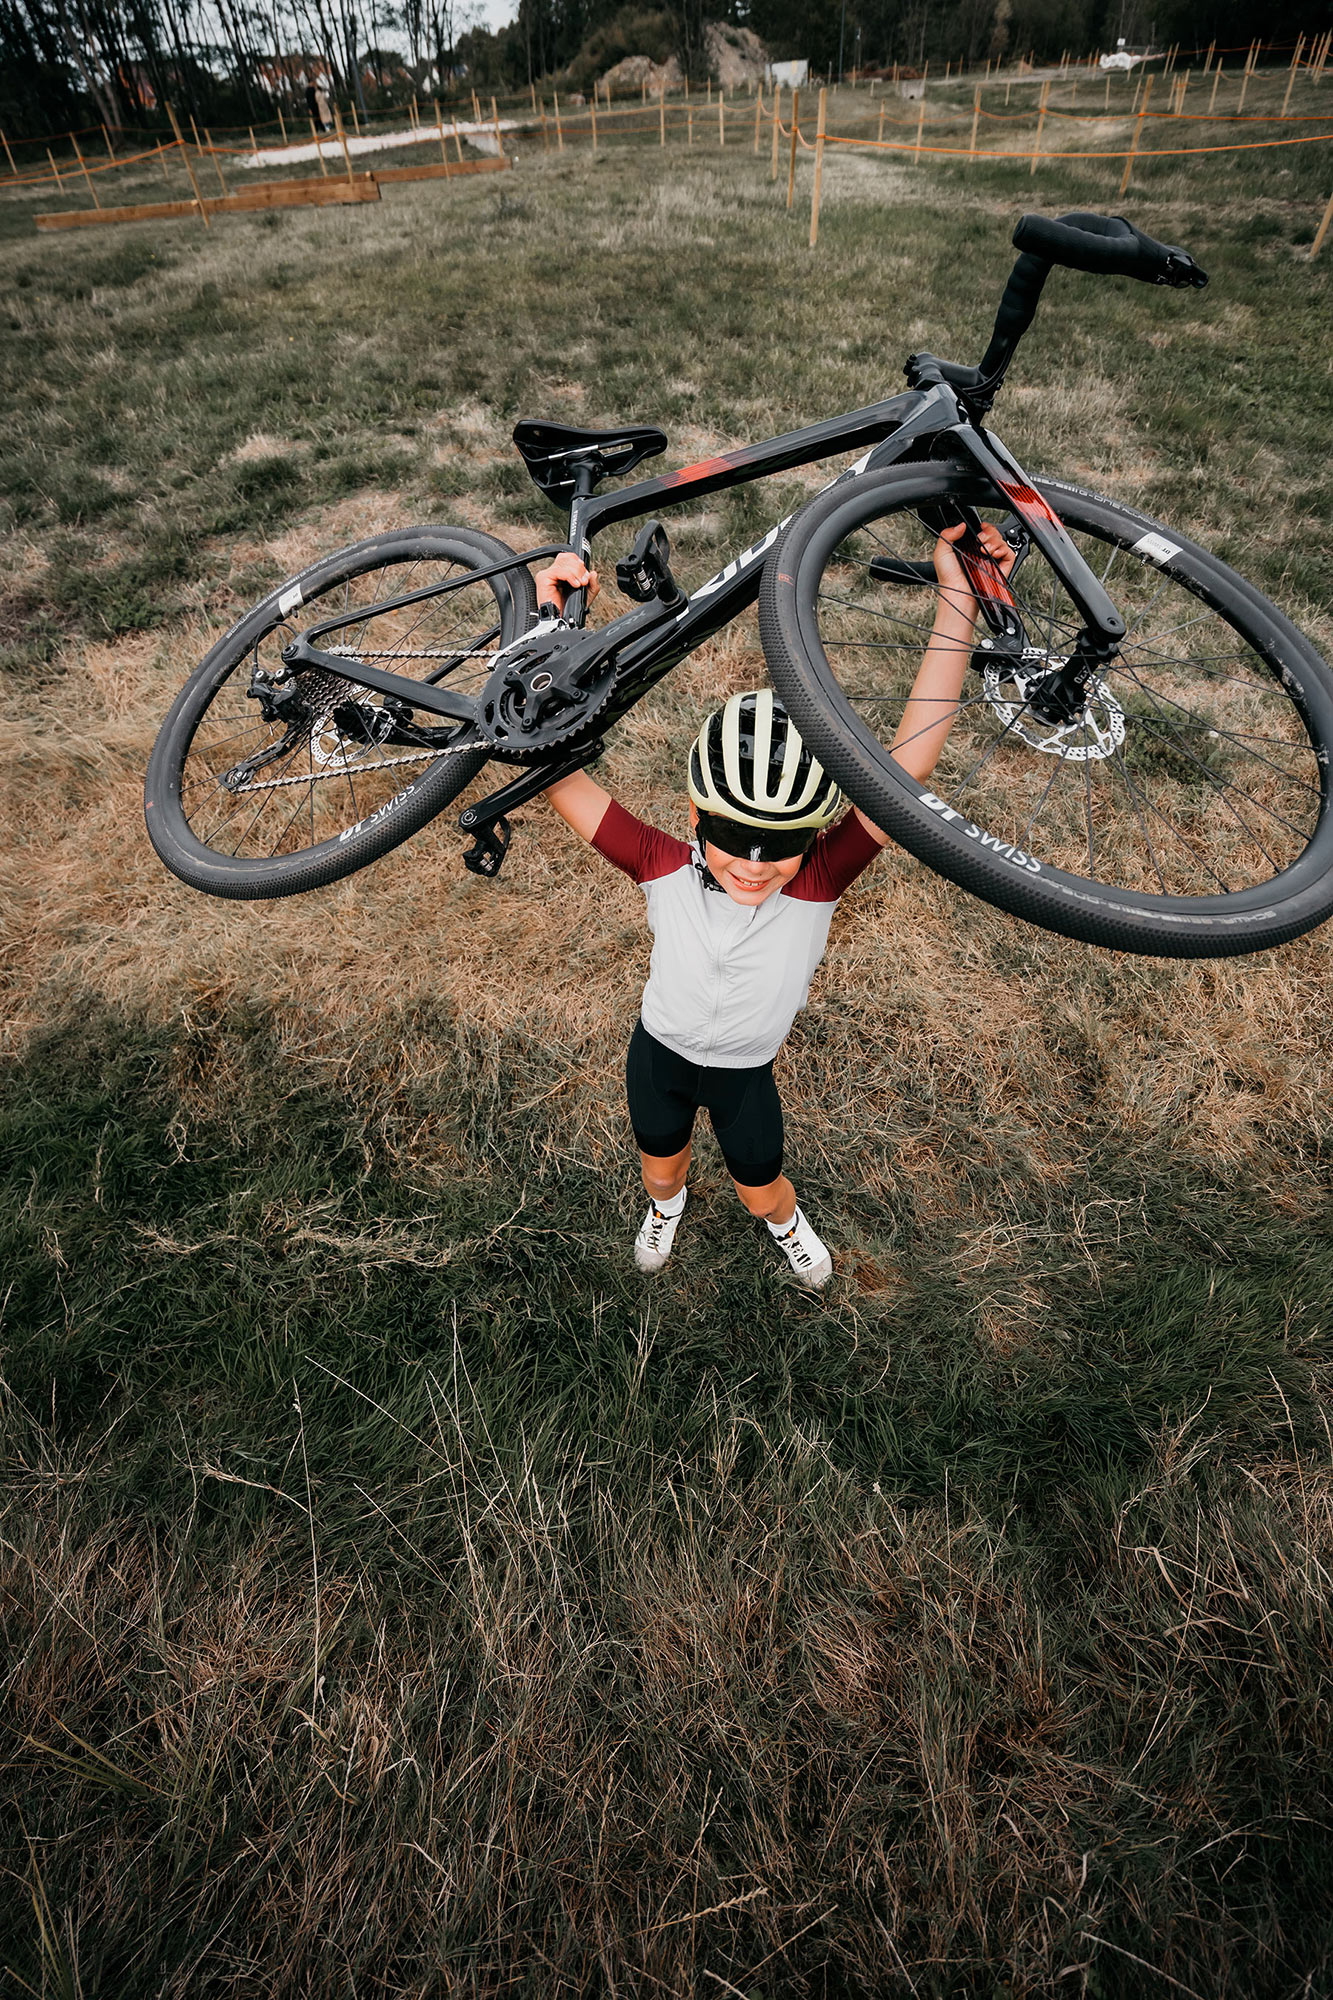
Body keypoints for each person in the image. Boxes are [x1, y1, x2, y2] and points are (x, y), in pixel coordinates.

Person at [543, 520, 1015, 1287]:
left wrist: (957, 597)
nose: (755, 867)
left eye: (783, 842)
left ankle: (784, 1225)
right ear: (695, 816)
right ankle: (665, 1208)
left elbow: (910, 762)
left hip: (744, 1072)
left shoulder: (819, 878)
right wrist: (549, 623)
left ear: (816, 834)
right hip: (658, 1057)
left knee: (761, 1189)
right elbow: (548, 762)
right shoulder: (661, 863)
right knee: (659, 1172)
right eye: (734, 836)